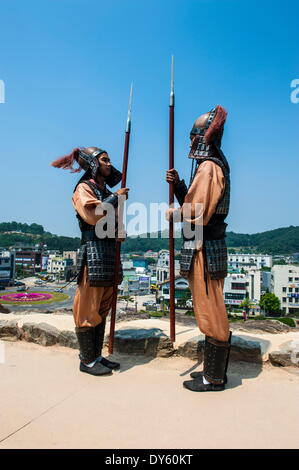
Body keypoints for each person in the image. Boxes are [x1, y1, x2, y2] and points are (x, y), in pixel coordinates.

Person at [166, 105, 232, 392]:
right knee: (208, 309)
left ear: (201, 137)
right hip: (204, 244)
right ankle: (211, 372)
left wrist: (174, 214)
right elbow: (196, 201)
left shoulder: (208, 167)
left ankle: (214, 378)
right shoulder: (212, 164)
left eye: (192, 135)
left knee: (212, 312)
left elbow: (198, 213)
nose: (189, 141)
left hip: (204, 246)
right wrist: (180, 185)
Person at [51, 147, 129, 376]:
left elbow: (111, 222)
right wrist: (117, 198)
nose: (109, 163)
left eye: (109, 160)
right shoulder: (84, 188)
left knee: (103, 307)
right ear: (93, 164)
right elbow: (92, 215)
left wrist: (118, 229)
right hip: (93, 250)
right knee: (88, 307)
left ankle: (96, 356)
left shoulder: (104, 190)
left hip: (109, 252)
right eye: (104, 160)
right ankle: (86, 360)